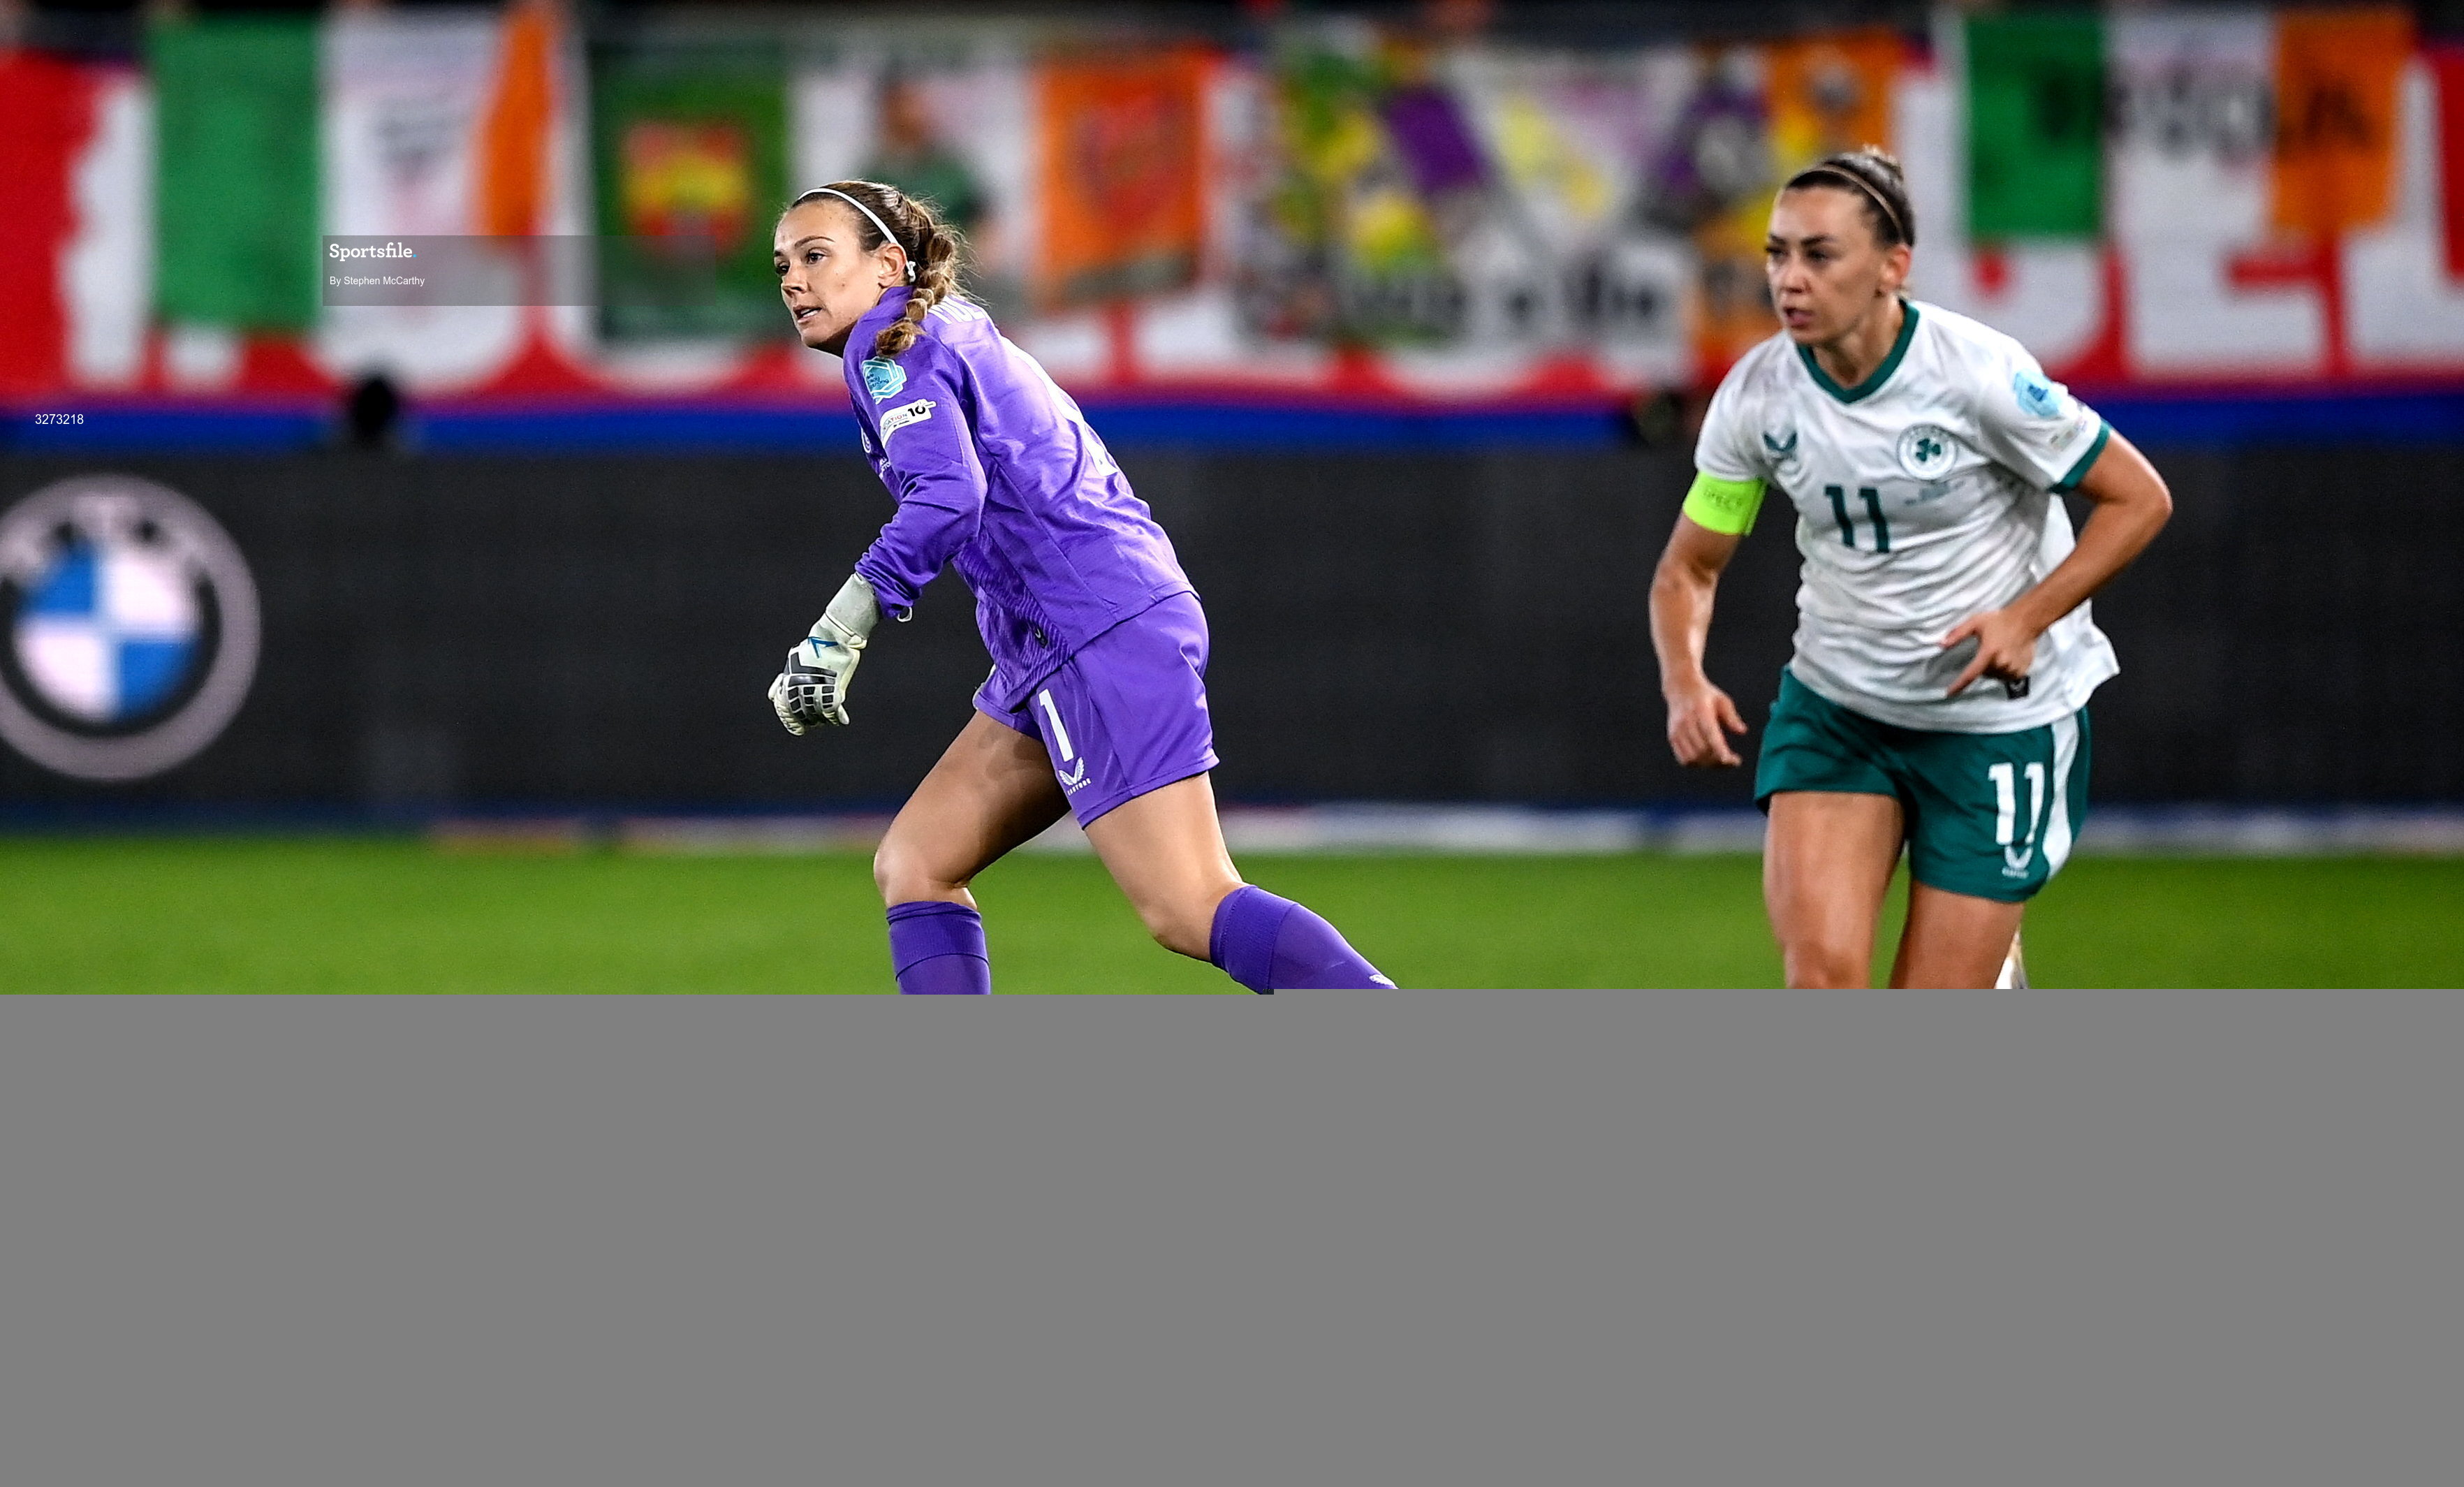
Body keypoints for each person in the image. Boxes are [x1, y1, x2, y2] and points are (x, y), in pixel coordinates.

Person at [766, 180, 1393, 994]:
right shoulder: (941, 327)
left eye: (816, 256)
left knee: (1190, 905)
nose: (792, 280)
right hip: (1072, 629)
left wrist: (837, 629)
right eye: (782, 264)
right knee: (917, 860)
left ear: (888, 265)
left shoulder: (885, 345)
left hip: (1091, 627)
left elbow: (949, 498)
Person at [1648, 148, 2171, 988]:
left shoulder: (1978, 376)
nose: (1789, 278)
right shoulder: (1758, 397)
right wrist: (1684, 680)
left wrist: (2025, 618)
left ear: (1895, 266)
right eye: (1777, 253)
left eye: (1819, 255)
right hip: (1841, 710)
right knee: (1821, 978)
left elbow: (2140, 499)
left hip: (1995, 726)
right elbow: (1689, 570)